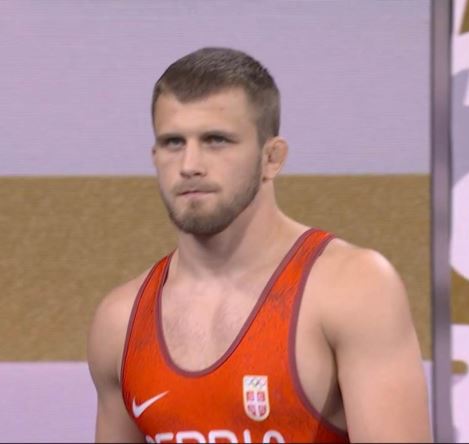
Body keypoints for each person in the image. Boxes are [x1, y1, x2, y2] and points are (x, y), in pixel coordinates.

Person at [87, 47, 431, 443]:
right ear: (155, 156)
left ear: (272, 158)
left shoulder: (352, 288)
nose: (189, 165)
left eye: (216, 140)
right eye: (173, 143)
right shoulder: (120, 322)